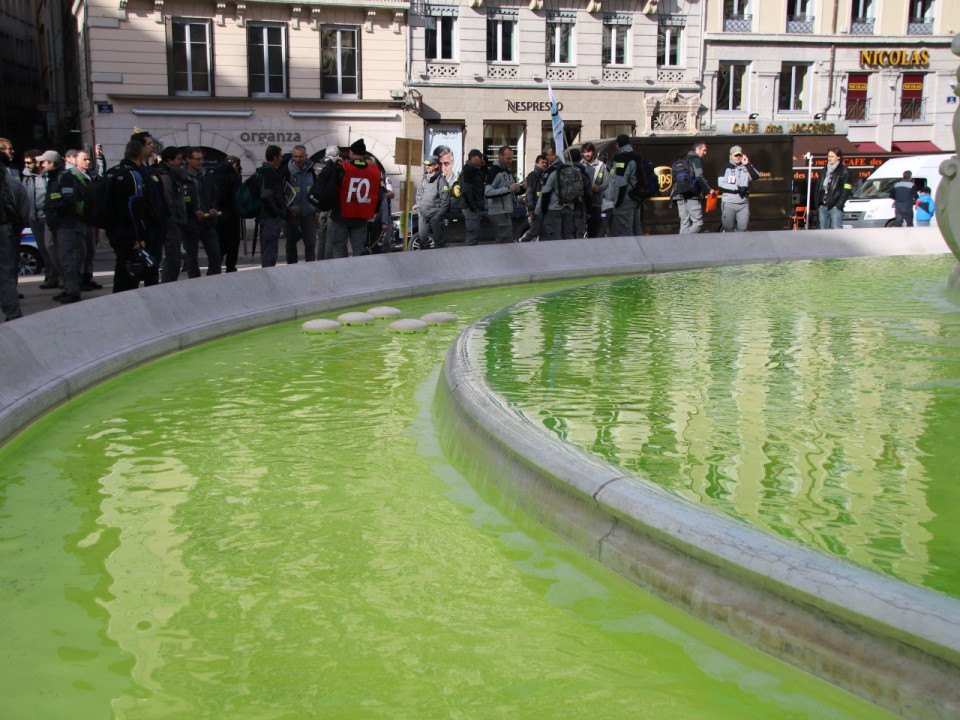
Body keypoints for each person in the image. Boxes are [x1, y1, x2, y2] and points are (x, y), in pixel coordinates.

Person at [42, 149, 91, 303]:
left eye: (44, 162)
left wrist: (55, 210)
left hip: (66, 223)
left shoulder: (65, 177)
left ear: (52, 163)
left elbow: (68, 199)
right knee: (61, 257)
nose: (42, 165)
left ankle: (73, 291)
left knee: (66, 257)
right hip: (58, 223)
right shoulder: (55, 177)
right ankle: (69, 288)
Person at [323, 139, 382, 258]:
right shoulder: (374, 171)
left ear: (351, 153)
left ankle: (341, 270)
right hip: (361, 217)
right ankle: (358, 270)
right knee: (359, 249)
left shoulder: (343, 168)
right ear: (363, 154)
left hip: (341, 215)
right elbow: (379, 195)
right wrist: (373, 211)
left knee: (339, 248)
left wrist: (331, 163)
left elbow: (327, 182)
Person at [104, 140, 150, 293]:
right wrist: (139, 236)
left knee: (121, 265)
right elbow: (134, 206)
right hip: (127, 230)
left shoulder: (112, 172)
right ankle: (125, 297)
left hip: (113, 227)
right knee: (130, 269)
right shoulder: (133, 175)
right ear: (141, 156)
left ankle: (119, 294)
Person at [180, 147, 222, 277]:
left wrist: (213, 207)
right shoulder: (181, 177)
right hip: (191, 222)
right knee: (191, 256)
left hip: (207, 221)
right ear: (188, 160)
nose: (200, 162)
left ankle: (212, 279)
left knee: (215, 254)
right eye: (197, 159)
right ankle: (195, 281)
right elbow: (179, 200)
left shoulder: (206, 175)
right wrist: (193, 211)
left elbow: (215, 194)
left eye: (201, 159)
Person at [22, 148, 59, 289]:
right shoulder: (27, 178)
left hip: (48, 217)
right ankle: (50, 275)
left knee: (51, 247)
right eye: (25, 163)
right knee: (43, 249)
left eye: (29, 163)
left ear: (37, 163)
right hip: (34, 218)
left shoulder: (48, 176)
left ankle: (58, 275)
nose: (26, 165)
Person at [132, 131, 165, 284]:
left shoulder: (152, 170)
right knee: (140, 266)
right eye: (149, 144)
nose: (153, 147)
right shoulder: (134, 171)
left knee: (154, 264)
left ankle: (153, 289)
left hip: (157, 224)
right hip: (145, 227)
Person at [0, 149, 28, 320]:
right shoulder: (10, 181)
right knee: (6, 275)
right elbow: (22, 210)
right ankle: (13, 314)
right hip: (5, 229)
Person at [154, 145, 187, 282]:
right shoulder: (166, 176)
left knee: (175, 256)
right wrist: (174, 219)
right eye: (178, 159)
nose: (181, 162)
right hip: (171, 222)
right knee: (173, 257)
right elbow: (168, 201)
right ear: (169, 160)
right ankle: (168, 284)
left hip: (174, 222)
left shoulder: (173, 175)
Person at [74, 150, 103, 290]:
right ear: (76, 161)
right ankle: (78, 280)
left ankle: (87, 278)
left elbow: (101, 175)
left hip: (90, 218)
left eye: (89, 159)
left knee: (91, 250)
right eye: (84, 159)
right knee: (81, 252)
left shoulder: (91, 175)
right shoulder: (73, 176)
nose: (88, 162)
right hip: (79, 219)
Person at [283, 145, 317, 263]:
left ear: (306, 156)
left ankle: (311, 267)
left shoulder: (312, 170)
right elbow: (280, 193)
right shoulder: (286, 171)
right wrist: (288, 208)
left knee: (311, 243)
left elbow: (316, 191)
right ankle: (292, 268)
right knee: (291, 243)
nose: (297, 159)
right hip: (292, 214)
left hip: (309, 214)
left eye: (300, 157)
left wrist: (316, 210)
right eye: (295, 156)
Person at [536, 143, 574, 241]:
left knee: (554, 238)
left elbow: (546, 192)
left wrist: (542, 211)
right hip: (569, 208)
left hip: (553, 209)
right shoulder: (571, 169)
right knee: (567, 237)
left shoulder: (551, 171)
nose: (547, 157)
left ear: (555, 155)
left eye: (548, 155)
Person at [672, 142, 712, 234]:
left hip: (679, 195)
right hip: (692, 195)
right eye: (704, 150)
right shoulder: (696, 159)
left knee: (684, 222)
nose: (705, 153)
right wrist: (709, 190)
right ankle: (686, 239)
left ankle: (682, 242)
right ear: (697, 149)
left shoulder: (684, 160)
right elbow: (699, 176)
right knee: (698, 222)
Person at [718, 145, 760, 232]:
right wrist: (737, 188)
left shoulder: (746, 166)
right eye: (735, 155)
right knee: (729, 229)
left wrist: (747, 164)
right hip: (729, 203)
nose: (738, 157)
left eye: (739, 155)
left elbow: (756, 176)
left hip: (743, 204)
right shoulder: (726, 167)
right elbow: (721, 184)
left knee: (743, 229)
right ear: (730, 156)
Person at [257, 144, 286, 267]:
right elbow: (266, 196)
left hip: (267, 216)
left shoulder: (265, 171)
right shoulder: (269, 173)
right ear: (275, 158)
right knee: (270, 251)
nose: (281, 159)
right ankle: (268, 274)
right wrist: (276, 214)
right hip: (269, 218)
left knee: (269, 249)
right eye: (280, 156)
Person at [485, 145, 521, 244]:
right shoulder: (494, 171)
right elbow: (488, 192)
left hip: (505, 213)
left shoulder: (507, 171)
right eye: (508, 158)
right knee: (505, 243)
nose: (510, 161)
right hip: (498, 213)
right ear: (500, 156)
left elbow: (514, 190)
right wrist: (508, 189)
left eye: (512, 158)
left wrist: (522, 187)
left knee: (507, 242)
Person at [212, 156, 242, 271]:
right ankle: (230, 267)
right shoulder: (233, 176)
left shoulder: (214, 174)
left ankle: (215, 266)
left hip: (218, 213)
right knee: (233, 244)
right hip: (231, 214)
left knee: (219, 242)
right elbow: (236, 196)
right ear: (235, 164)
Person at [610, 134, 643, 237]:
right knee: (637, 229)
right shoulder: (636, 157)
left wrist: (617, 202)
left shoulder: (622, 159)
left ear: (617, 145)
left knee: (624, 232)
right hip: (635, 199)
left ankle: (630, 248)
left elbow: (620, 183)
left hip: (624, 200)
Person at [415, 154, 451, 249]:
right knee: (422, 239)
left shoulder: (441, 181)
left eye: (430, 165)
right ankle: (425, 257)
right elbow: (418, 195)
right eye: (426, 165)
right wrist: (419, 208)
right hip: (423, 214)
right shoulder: (424, 179)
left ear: (436, 165)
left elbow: (445, 201)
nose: (427, 166)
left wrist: (438, 215)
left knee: (438, 241)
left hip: (435, 216)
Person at [813, 147, 852, 230]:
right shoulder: (824, 170)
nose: (829, 158)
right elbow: (818, 187)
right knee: (823, 231)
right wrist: (818, 204)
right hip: (823, 206)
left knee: (836, 230)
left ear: (838, 157)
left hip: (835, 206)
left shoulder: (845, 171)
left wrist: (839, 205)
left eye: (832, 156)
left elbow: (847, 190)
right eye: (828, 156)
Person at [314, 145, 340, 259]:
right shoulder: (337, 165)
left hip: (319, 206)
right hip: (332, 205)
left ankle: (320, 261)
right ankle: (329, 262)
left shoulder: (318, 165)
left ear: (325, 154)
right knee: (330, 238)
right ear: (337, 155)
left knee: (321, 239)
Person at [580, 142, 608, 238]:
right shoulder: (580, 165)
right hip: (583, 204)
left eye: (589, 151)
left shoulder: (601, 165)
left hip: (596, 204)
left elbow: (606, 183)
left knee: (594, 232)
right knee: (580, 232)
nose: (586, 154)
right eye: (584, 152)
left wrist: (598, 188)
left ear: (593, 152)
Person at [518, 154, 548, 242]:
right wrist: (530, 208)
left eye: (546, 163)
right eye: (542, 162)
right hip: (535, 209)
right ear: (537, 163)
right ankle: (521, 242)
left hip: (542, 208)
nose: (545, 164)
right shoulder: (532, 176)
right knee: (534, 230)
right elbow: (529, 192)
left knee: (543, 231)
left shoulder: (544, 175)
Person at [460, 148, 486, 246]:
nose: (481, 159)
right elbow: (466, 190)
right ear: (473, 157)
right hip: (469, 207)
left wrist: (483, 166)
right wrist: (473, 206)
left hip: (473, 206)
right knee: (472, 234)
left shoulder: (476, 169)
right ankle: (468, 254)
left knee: (475, 234)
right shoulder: (468, 170)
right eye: (479, 157)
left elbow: (484, 176)